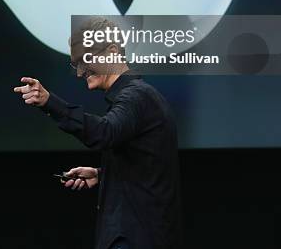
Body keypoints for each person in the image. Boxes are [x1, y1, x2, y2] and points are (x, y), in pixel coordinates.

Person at [13, 18, 185, 249]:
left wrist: (49, 101)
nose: (80, 72)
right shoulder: (141, 98)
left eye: (85, 60)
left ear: (112, 52)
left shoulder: (137, 97)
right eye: (76, 64)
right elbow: (148, 166)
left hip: (134, 239)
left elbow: (103, 133)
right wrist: (104, 175)